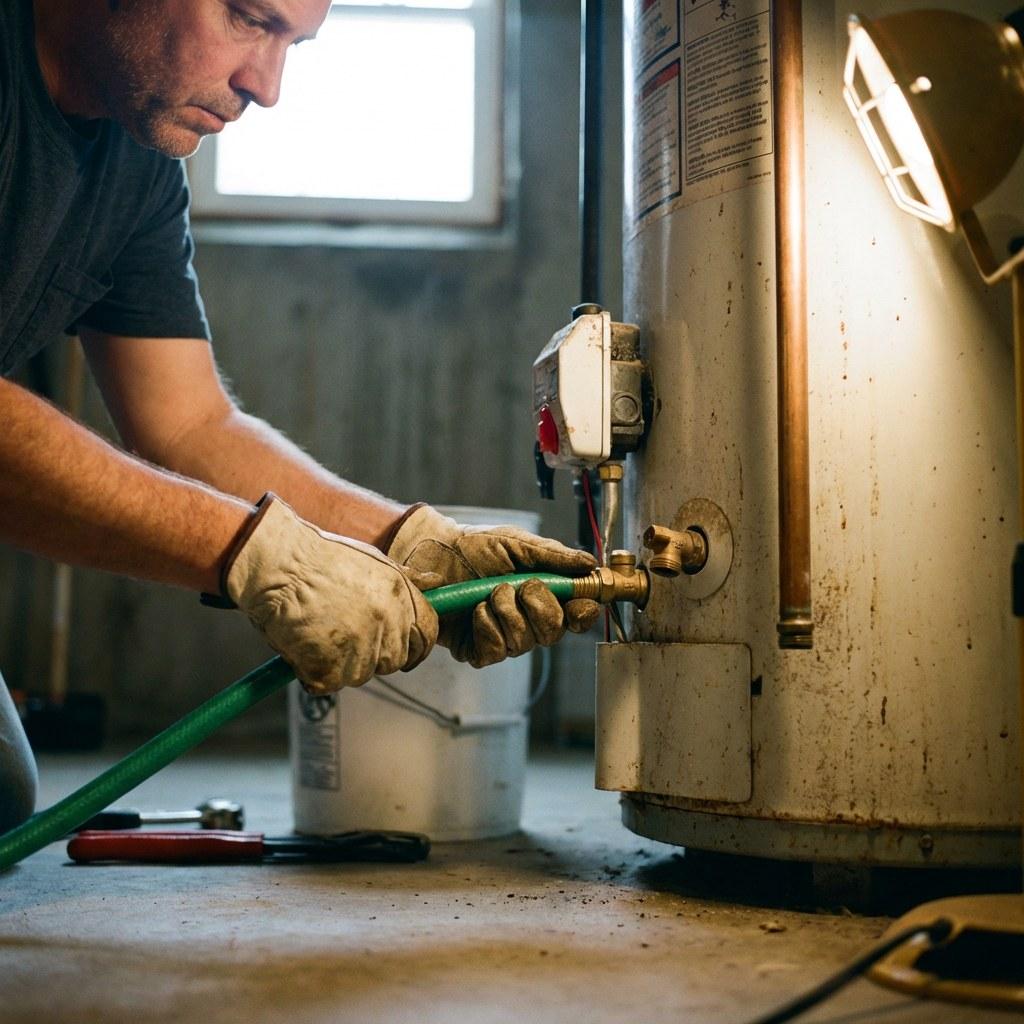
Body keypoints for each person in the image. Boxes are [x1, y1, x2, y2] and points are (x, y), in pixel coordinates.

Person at [0, 0, 601, 831]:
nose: (267, 86)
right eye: (249, 18)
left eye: (294, 44)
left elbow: (190, 426)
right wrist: (257, 554)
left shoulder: (136, 169)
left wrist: (414, 545)